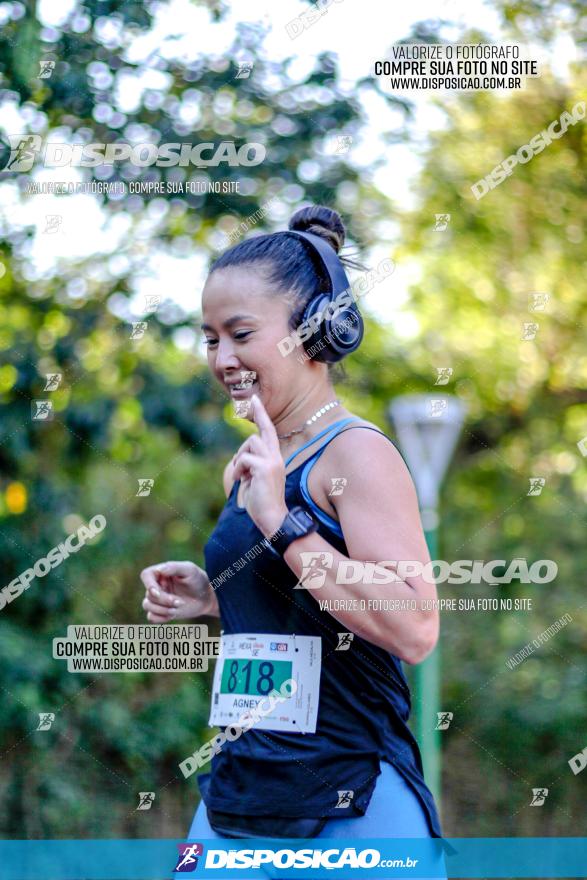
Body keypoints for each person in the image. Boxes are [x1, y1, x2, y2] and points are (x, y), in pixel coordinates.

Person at [140, 205, 445, 858]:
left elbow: (414, 627)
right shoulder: (252, 465)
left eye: (241, 334)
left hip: (350, 801)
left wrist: (283, 522)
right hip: (239, 792)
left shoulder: (356, 454)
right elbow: (300, 610)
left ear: (309, 331)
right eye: (209, 338)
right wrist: (214, 594)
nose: (222, 358)